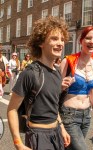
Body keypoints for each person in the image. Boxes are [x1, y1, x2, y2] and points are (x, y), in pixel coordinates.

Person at [7, 16, 70, 150]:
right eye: (54, 38)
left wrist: (62, 128)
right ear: (41, 42)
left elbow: (53, 106)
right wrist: (18, 144)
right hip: (38, 136)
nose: (60, 43)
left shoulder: (57, 71)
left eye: (62, 39)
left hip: (56, 133)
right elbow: (12, 109)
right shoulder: (30, 73)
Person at [60, 26, 93, 150]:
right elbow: (54, 91)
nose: (92, 42)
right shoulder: (68, 61)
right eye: (88, 38)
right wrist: (61, 86)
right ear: (81, 41)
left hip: (86, 117)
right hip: (69, 115)